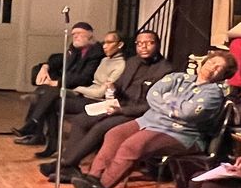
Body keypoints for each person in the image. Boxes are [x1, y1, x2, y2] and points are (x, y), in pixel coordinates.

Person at [70, 51, 236, 188]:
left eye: (218, 67)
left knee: (132, 146)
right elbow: (153, 94)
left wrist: (166, 100)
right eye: (212, 62)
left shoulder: (213, 93)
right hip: (149, 121)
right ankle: (92, 178)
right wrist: (174, 107)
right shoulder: (178, 77)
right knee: (114, 134)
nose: (212, 67)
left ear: (223, 75)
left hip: (180, 133)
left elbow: (188, 113)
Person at [42, 30, 175, 173]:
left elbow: (153, 106)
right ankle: (70, 166)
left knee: (100, 127)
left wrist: (122, 110)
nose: (143, 46)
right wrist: (112, 86)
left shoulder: (166, 70)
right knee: (81, 120)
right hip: (118, 105)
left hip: (137, 114)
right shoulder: (132, 62)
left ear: (158, 45)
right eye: (139, 43)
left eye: (149, 43)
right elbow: (119, 85)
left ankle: (64, 164)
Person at [12, 23, 106, 147]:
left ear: (89, 34)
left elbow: (84, 78)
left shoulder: (96, 52)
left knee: (46, 94)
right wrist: (46, 66)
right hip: (69, 84)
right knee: (42, 92)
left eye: (79, 33)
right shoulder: (75, 48)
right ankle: (35, 130)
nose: (75, 37)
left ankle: (34, 129)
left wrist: (58, 82)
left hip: (82, 89)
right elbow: (59, 59)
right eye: (73, 34)